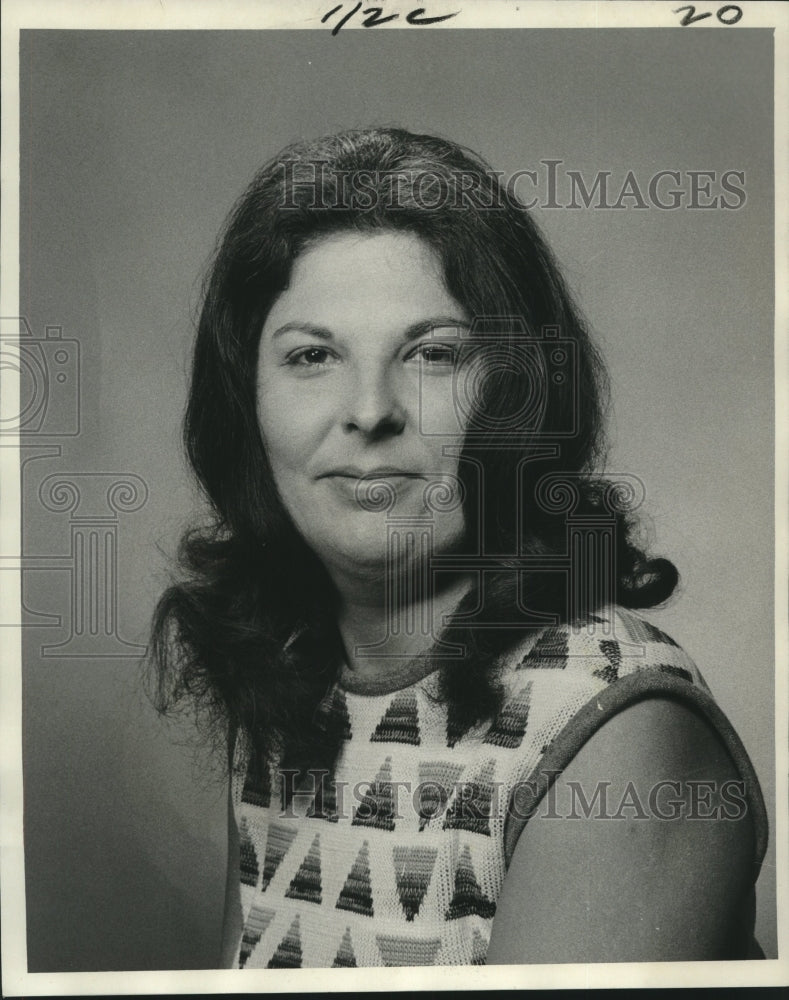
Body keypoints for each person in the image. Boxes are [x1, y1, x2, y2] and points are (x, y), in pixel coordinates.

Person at [149, 127, 768, 968]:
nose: (369, 410)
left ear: (516, 395)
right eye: (312, 355)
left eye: (432, 354)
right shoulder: (293, 668)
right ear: (244, 402)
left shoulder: (619, 729)